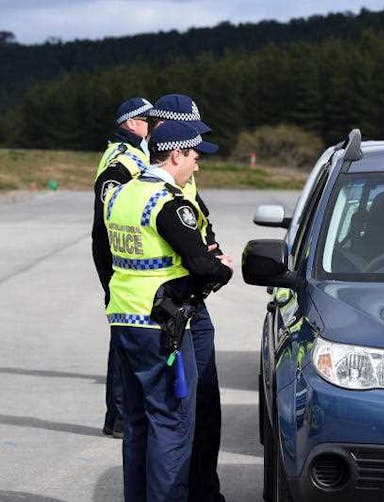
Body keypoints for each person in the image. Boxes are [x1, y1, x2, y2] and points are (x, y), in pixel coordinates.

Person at [104, 121, 233, 502]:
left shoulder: (120, 195)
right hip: (161, 324)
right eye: (195, 157)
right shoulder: (168, 203)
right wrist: (223, 265)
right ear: (176, 154)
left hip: (124, 318)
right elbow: (203, 265)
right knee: (173, 424)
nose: (197, 166)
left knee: (138, 424)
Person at [150, 93, 226, 502]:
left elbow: (200, 228)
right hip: (168, 310)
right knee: (177, 418)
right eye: (194, 139)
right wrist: (213, 266)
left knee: (203, 410)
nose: (199, 150)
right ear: (166, 129)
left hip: (190, 303)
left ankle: (204, 490)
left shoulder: (180, 174)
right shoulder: (142, 180)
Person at [92, 97, 154, 438]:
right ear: (130, 123)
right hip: (117, 257)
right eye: (146, 119)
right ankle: (117, 417)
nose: (150, 124)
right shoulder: (125, 157)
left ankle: (120, 415)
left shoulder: (131, 151)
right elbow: (110, 208)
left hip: (117, 255)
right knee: (124, 336)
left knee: (126, 335)